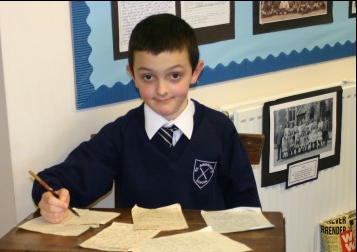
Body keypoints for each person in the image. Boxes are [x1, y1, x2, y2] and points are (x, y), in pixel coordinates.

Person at [32, 13, 261, 224]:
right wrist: (51, 196)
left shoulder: (220, 130)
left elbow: (247, 208)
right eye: (148, 77)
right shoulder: (121, 135)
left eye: (174, 75)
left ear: (195, 72)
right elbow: (57, 181)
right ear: (132, 75)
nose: (161, 90)